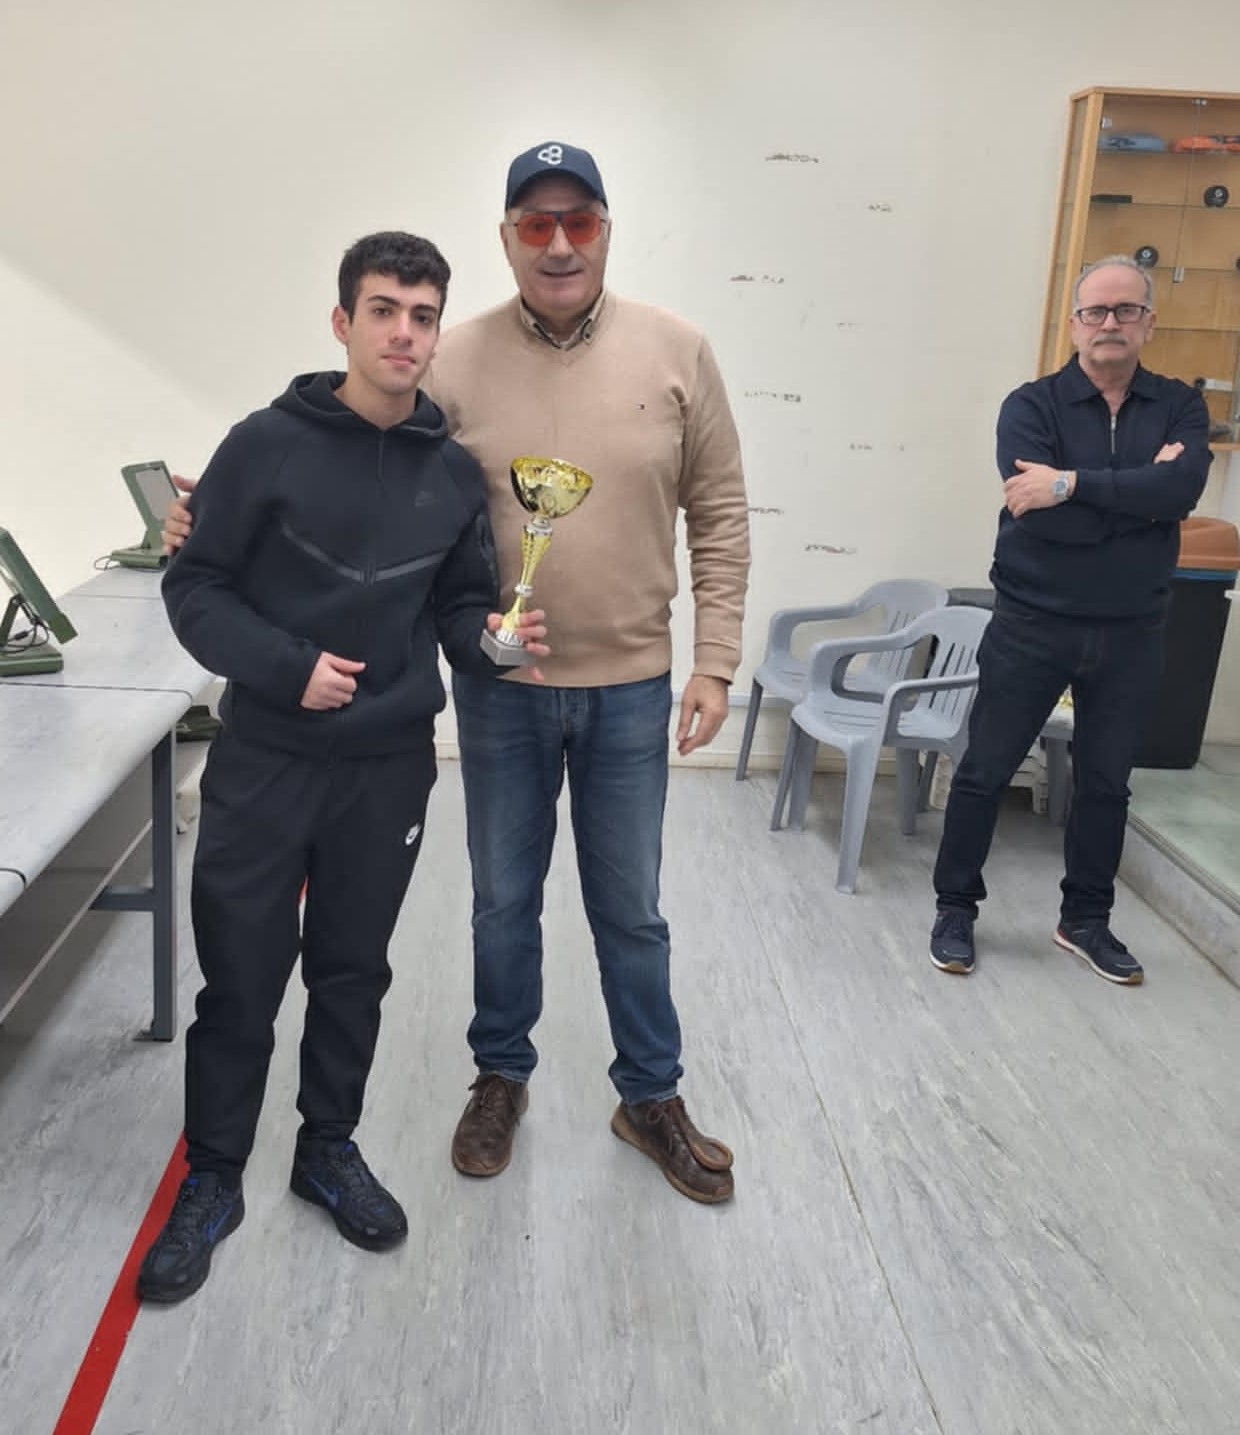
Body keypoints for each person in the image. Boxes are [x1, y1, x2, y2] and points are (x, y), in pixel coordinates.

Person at [165, 143, 751, 1205]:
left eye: (579, 221)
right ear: (508, 240)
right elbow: (354, 439)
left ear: (606, 231)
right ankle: (499, 1077)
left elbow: (717, 509)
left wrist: (715, 660)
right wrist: (205, 516)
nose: (559, 243)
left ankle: (650, 1094)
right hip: (498, 690)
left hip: (630, 684)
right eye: (536, 224)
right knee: (500, 902)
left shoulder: (679, 350)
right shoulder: (454, 358)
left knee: (631, 907)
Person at [139, 232, 548, 1304]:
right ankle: (213, 1175)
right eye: (383, 310)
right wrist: (288, 669)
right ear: (343, 323)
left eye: (422, 315)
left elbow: (459, 608)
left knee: (353, 971)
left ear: (436, 330)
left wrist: (495, 645)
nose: (403, 332)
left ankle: (327, 1148)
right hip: (267, 760)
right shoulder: (262, 445)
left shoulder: (451, 473)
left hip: (387, 770)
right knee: (240, 979)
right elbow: (195, 587)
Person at [929, 253, 1212, 984]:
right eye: (1096, 311)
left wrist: (1071, 483)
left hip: (1132, 630)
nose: (1110, 322)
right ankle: (955, 908)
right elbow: (1046, 518)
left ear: (1149, 322)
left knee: (1106, 785)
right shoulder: (1031, 406)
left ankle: (1085, 920)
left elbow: (1179, 494)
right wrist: (1136, 496)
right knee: (985, 771)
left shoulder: (1180, 407)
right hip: (1033, 622)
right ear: (1075, 323)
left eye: (1126, 310)